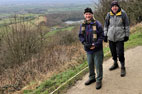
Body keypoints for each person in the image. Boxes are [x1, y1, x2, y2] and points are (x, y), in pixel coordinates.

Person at [79, 7, 104, 89]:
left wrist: (95, 44)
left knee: (98, 65)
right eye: (86, 14)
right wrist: (84, 42)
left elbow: (101, 36)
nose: (88, 15)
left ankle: (99, 80)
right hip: (88, 49)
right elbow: (80, 35)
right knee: (90, 64)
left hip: (97, 49)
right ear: (84, 15)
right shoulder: (83, 24)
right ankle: (92, 78)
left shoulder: (97, 24)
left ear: (92, 14)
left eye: (89, 14)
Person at [104, 1, 129, 77]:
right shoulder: (109, 15)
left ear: (118, 7)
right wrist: (105, 35)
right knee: (113, 52)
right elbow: (105, 25)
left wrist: (126, 35)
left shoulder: (123, 14)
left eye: (116, 6)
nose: (114, 7)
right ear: (111, 7)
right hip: (111, 37)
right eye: (113, 6)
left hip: (120, 37)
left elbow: (127, 25)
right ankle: (115, 64)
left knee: (120, 53)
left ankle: (123, 67)